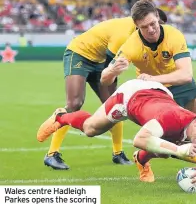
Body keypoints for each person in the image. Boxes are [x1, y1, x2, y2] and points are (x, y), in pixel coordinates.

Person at [101, 0, 196, 171]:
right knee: (173, 138)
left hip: (180, 84)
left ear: (158, 17)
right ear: (137, 26)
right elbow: (104, 80)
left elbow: (186, 75)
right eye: (144, 27)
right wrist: (112, 71)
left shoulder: (173, 35)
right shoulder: (130, 45)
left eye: (153, 24)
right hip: (155, 94)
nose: (151, 29)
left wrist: (153, 78)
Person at [37, 79, 196, 188]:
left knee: (164, 147)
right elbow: (139, 139)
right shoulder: (172, 117)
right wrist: (178, 150)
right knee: (91, 129)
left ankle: (141, 161)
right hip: (130, 97)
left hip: (159, 96)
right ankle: (61, 117)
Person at [41, 10, 168, 170]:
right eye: (154, 25)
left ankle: (118, 153)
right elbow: (111, 66)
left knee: (116, 105)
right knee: (75, 103)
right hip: (79, 54)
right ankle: (52, 154)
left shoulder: (140, 35)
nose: (154, 30)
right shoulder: (124, 33)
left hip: (100, 60)